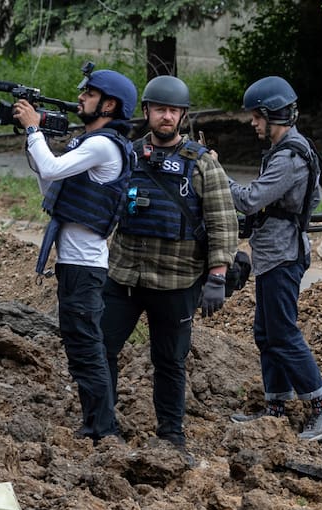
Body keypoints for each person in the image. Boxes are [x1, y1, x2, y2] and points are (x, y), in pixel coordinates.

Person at [100, 75, 239, 459]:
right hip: (125, 274)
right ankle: (101, 425)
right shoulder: (126, 154)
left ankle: (172, 437)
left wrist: (217, 275)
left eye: (173, 111)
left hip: (178, 281)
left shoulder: (202, 165)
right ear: (146, 112)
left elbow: (224, 222)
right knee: (102, 347)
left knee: (170, 361)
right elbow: (104, 208)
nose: (166, 117)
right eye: (160, 109)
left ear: (182, 116)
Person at [13, 67, 137, 444]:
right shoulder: (91, 142)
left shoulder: (103, 145)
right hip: (74, 264)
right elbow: (50, 180)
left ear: (109, 104)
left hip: (85, 268)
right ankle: (95, 423)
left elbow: (50, 166)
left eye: (89, 94)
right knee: (80, 344)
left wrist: (35, 130)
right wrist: (34, 140)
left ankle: (103, 428)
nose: (80, 98)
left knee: (86, 346)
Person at [227, 75, 322, 442]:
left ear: (273, 115)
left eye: (257, 116)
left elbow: (249, 199)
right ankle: (276, 408)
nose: (253, 123)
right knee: (266, 332)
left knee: (283, 332)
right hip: (271, 252)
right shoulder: (283, 150)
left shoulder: (290, 156)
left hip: (283, 255)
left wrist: (213, 175)